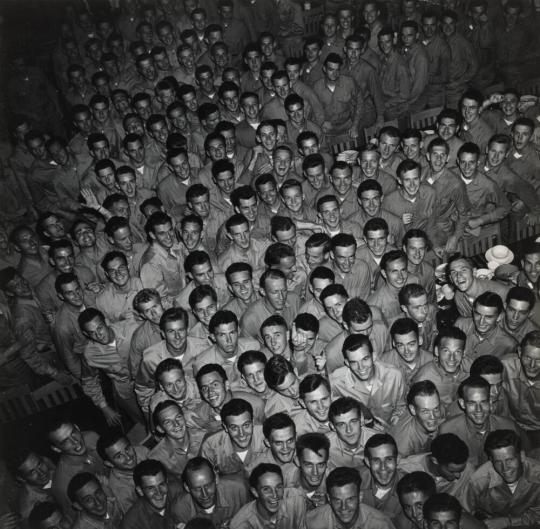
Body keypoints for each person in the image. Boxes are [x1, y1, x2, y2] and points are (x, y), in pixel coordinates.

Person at [439, 376, 525, 467]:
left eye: (483, 402)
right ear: (462, 404)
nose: (478, 410)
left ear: (490, 402)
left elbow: (524, 459)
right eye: (472, 403)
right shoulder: (447, 431)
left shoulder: (508, 427)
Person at [465, 429, 540, 524]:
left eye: (510, 460)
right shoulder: (478, 481)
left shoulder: (537, 473)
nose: (505, 468)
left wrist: (509, 521)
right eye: (498, 462)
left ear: (522, 456)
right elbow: (463, 513)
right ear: (491, 460)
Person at [330, 333, 406, 426]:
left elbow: (401, 407)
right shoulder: (336, 382)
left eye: (365, 359)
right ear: (347, 363)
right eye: (354, 362)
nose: (361, 367)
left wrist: (395, 421)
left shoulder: (394, 375)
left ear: (373, 356)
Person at [47, 419, 105, 516]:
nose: (75, 441)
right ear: (56, 448)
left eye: (73, 433)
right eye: (65, 441)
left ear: (77, 427)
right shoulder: (63, 485)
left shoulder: (92, 437)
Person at [306, 466, 395, 529]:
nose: (343, 507)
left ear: (360, 497)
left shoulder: (381, 524)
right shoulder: (312, 522)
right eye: (337, 500)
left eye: (350, 499)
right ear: (329, 499)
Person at [171, 457, 249, 527]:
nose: (205, 495)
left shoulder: (239, 490)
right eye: (197, 489)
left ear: (216, 479)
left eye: (208, 485)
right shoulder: (181, 510)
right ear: (187, 488)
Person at [200, 398, 267, 478]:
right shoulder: (211, 446)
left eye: (246, 425)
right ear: (225, 427)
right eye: (234, 428)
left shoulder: (267, 435)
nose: (241, 434)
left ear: (253, 422)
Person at [230, 463, 307, 529]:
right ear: (255, 492)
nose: (274, 495)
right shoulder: (241, 524)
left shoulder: (296, 500)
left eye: (278, 487)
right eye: (266, 489)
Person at [412, 327, 470, 409]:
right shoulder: (423, 379)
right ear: (436, 351)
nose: (452, 358)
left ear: (464, 353)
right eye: (446, 351)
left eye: (457, 352)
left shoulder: (471, 371)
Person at [148, 400, 206, 481]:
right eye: (168, 422)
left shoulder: (204, 437)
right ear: (160, 429)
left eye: (178, 417)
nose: (176, 424)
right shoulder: (156, 457)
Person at [502, 331, 540, 447]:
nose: (532, 365)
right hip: (510, 425)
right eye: (528, 357)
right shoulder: (505, 366)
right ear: (519, 352)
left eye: (539, 360)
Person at [240, 270, 301, 342]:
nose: (281, 297)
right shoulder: (251, 318)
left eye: (284, 290)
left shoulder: (294, 300)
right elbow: (246, 346)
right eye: (275, 292)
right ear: (263, 292)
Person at [96, 430, 149, 512]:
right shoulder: (119, 491)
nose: (128, 457)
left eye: (127, 448)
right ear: (109, 463)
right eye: (119, 456)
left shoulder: (142, 452)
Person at [139, 212, 185, 303]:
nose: (169, 236)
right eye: (162, 233)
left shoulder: (174, 246)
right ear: (152, 235)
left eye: (170, 230)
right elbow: (158, 301)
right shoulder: (150, 263)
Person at [121, 459, 180, 529]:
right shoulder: (132, 524)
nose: (158, 492)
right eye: (151, 488)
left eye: (161, 485)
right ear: (140, 491)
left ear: (167, 482)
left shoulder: (178, 492)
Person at [390, 381, 443, 458]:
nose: (433, 417)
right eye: (425, 411)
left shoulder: (439, 409)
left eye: (436, 409)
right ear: (413, 410)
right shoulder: (403, 447)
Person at [447, 254, 509, 318]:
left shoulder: (501, 293)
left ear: (474, 272)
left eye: (463, 270)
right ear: (451, 279)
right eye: (454, 272)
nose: (458, 275)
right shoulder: (458, 297)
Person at [367, 250, 419, 324]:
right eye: (394, 272)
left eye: (403, 270)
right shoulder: (375, 305)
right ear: (384, 273)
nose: (400, 276)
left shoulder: (414, 283)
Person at [360, 434, 404, 518]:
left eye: (389, 459)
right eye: (376, 460)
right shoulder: (355, 481)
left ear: (397, 459)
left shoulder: (409, 488)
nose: (383, 467)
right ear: (367, 462)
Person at [382, 318, 432, 387]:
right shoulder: (383, 363)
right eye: (400, 345)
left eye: (411, 344)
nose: (406, 351)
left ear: (420, 340)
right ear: (394, 343)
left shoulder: (431, 361)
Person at [95, 251, 143, 323]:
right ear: (107, 274)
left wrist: (140, 317)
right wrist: (119, 318)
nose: (118, 274)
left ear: (128, 267)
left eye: (121, 268)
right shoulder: (102, 300)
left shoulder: (144, 285)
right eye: (112, 271)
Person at [377, 26, 411, 119]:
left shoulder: (400, 65)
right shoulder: (382, 58)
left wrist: (385, 104)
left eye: (387, 42)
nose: (384, 45)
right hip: (386, 107)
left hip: (397, 111)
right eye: (381, 42)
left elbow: (404, 95)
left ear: (394, 41)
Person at [12, 450, 56, 521]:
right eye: (32, 472)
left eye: (39, 464)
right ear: (21, 479)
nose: (41, 472)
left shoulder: (52, 467)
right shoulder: (29, 509)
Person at [329, 234, 372, 300]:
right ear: (332, 255)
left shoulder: (362, 268)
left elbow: (364, 301)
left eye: (351, 257)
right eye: (342, 258)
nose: (347, 263)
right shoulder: (322, 273)